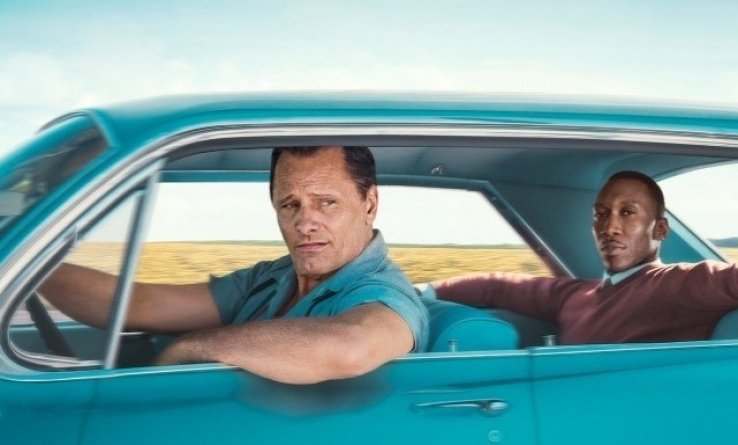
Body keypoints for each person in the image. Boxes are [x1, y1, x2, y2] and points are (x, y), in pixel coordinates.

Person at [40, 145, 429, 383]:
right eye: (290, 204)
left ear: (369, 205)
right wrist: (35, 268)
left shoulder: (385, 292)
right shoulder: (271, 277)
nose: (305, 222)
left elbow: (351, 346)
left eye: (327, 203)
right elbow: (142, 303)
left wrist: (193, 347)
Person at [420, 170, 738, 344]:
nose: (610, 228)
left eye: (628, 213)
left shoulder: (680, 282)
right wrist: (421, 293)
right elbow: (497, 286)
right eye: (601, 215)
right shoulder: (576, 294)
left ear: (660, 229)